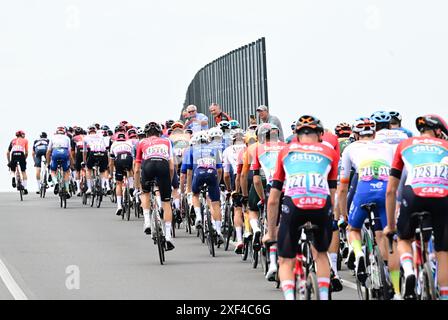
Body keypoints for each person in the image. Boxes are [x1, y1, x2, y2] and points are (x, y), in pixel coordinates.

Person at [263, 115, 339, 300]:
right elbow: (333, 192)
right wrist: (334, 218)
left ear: (296, 135)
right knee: (321, 254)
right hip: (321, 206)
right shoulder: (330, 152)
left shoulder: (285, 151)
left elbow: (273, 199)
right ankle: (322, 294)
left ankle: (290, 297)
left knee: (285, 260)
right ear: (320, 134)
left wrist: (272, 232)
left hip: (294, 205)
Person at [384, 114, 448, 300]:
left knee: (403, 238)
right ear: (438, 132)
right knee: (443, 252)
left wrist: (391, 226)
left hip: (413, 194)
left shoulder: (405, 145)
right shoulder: (446, 146)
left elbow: (391, 190)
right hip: (441, 196)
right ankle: (444, 296)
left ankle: (409, 270)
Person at [338, 118, 394, 291]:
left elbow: (343, 186)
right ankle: (390, 278)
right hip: (385, 190)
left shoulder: (349, 148)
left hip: (363, 189)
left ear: (355, 135)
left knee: (353, 229)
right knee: (385, 233)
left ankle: (359, 253)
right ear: (374, 133)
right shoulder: (387, 147)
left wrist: (344, 214)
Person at [134, 122, 175, 250]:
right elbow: (172, 166)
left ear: (146, 134)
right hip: (163, 165)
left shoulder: (142, 142)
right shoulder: (167, 142)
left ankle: (147, 222)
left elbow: (136, 169)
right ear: (159, 133)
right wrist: (169, 181)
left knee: (145, 192)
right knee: (166, 202)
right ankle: (168, 236)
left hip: (148, 165)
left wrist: (137, 188)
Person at [186, 130, 224, 245]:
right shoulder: (215, 149)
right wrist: (216, 183)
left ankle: (198, 216)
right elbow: (219, 169)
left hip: (198, 173)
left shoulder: (191, 150)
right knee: (215, 202)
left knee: (195, 194)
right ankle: (217, 230)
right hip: (212, 173)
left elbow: (188, 172)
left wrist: (189, 189)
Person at [222, 129, 247, 253]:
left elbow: (226, 175)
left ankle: (239, 240)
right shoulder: (249, 147)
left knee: (237, 209)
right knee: (251, 208)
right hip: (250, 176)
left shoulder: (227, 150)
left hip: (236, 177)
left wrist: (229, 189)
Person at [109, 133, 134, 216]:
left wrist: (111, 174)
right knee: (129, 171)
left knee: (119, 183)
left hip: (119, 159)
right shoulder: (129, 143)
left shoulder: (114, 144)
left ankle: (119, 206)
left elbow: (111, 162)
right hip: (128, 158)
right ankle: (131, 188)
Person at [83, 125, 110, 195]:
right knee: (103, 170)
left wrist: (85, 161)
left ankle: (89, 188)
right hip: (103, 153)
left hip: (93, 152)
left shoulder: (86, 137)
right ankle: (103, 185)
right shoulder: (101, 136)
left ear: (88, 132)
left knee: (88, 169)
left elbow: (85, 152)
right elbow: (106, 146)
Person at [46, 127, 73, 197]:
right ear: (64, 132)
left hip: (55, 152)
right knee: (66, 171)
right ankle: (67, 190)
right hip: (64, 152)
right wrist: (72, 163)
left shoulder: (53, 137)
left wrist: (48, 163)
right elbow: (70, 152)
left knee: (52, 170)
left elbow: (48, 151)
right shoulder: (67, 138)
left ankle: (56, 182)